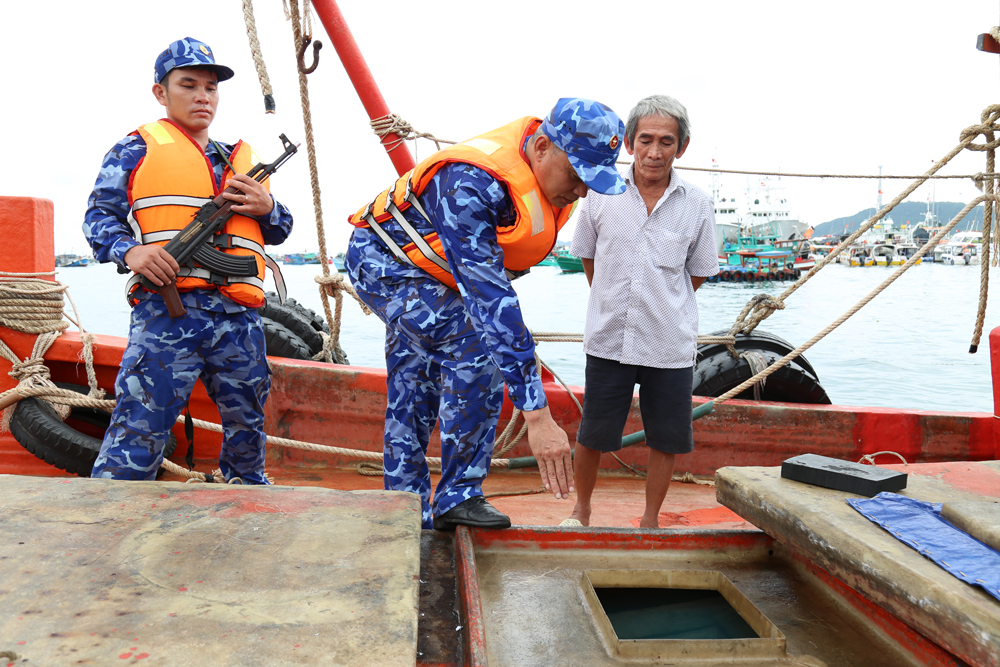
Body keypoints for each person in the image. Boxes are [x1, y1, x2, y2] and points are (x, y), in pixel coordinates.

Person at [345, 98, 626, 530]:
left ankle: (403, 506)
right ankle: (458, 494)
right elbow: (488, 301)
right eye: (577, 176)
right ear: (543, 147)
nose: (583, 191)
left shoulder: (548, 179)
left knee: (414, 378)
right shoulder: (469, 184)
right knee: (476, 342)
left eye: (593, 180)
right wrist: (537, 415)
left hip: (438, 275)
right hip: (387, 266)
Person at [84, 37, 293, 483]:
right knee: (139, 426)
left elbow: (279, 229)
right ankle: (110, 522)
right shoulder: (135, 149)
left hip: (239, 317)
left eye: (211, 88)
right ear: (161, 92)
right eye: (189, 85)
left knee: (247, 429)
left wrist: (268, 208)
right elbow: (99, 216)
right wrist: (132, 251)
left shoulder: (238, 159)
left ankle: (243, 503)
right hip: (168, 312)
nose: (203, 96)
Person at [564, 94, 718, 528]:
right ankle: (581, 510)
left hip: (667, 341)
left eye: (666, 141)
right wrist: (616, 296)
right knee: (593, 432)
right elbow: (587, 257)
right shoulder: (599, 193)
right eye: (646, 139)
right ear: (629, 143)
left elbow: (700, 271)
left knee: (666, 438)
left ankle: (650, 519)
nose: (655, 151)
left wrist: (660, 299)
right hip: (609, 335)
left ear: (681, 148)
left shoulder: (698, 204)